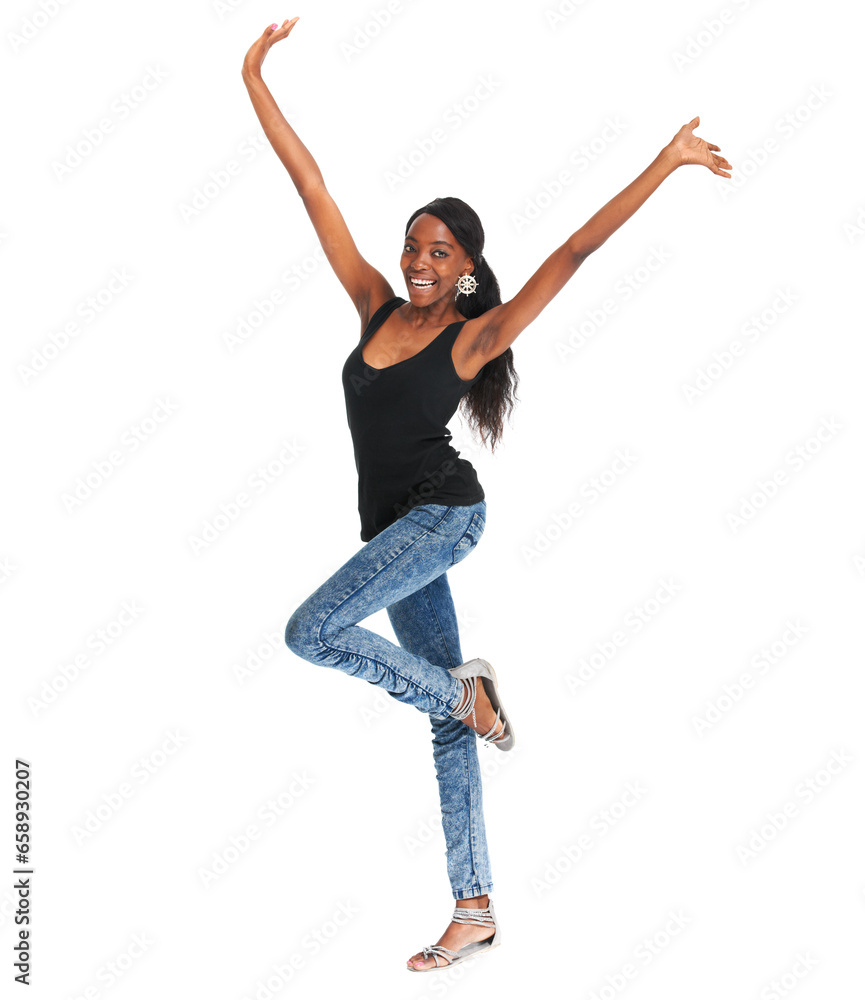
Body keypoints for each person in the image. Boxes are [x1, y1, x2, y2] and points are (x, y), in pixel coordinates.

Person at [241, 16, 732, 974]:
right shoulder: (373, 304)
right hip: (392, 531)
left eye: (438, 252)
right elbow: (311, 186)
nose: (419, 260)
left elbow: (575, 253)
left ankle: (464, 696)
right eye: (412, 245)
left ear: (465, 269)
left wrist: (664, 161)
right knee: (436, 712)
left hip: (443, 519)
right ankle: (474, 906)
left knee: (311, 632)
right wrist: (254, 75)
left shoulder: (470, 338)